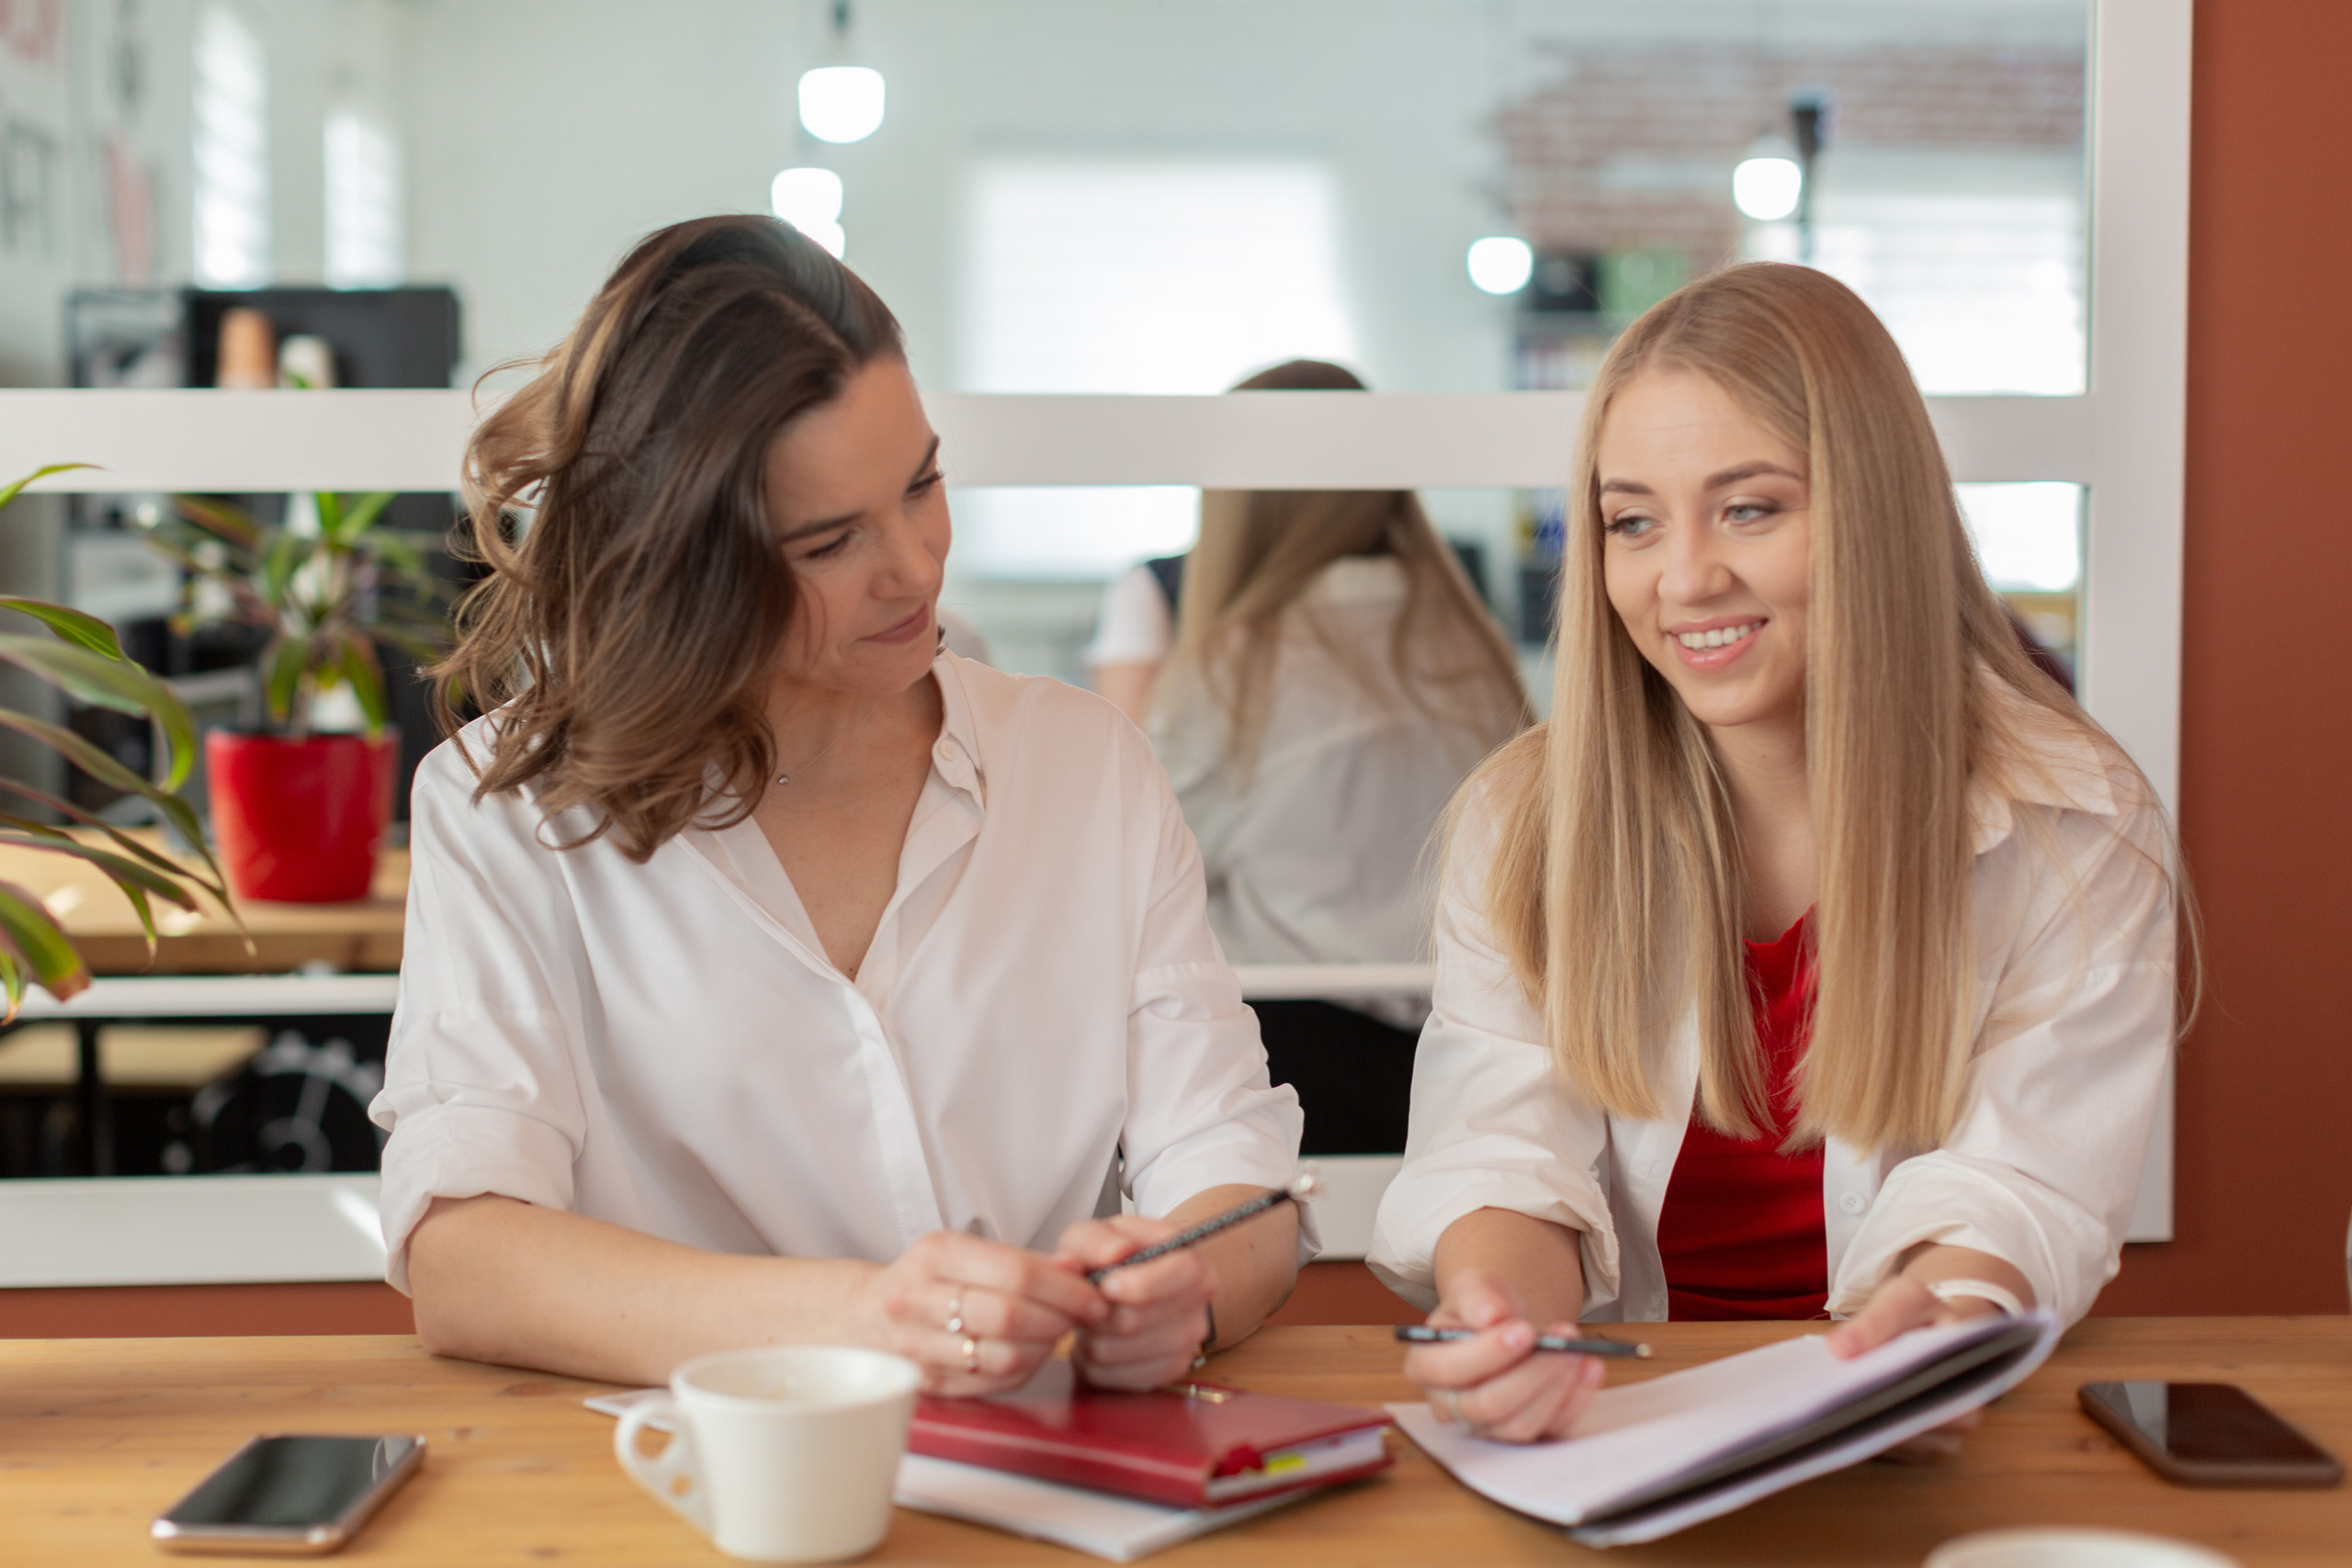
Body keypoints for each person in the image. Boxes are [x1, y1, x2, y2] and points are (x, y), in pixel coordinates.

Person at [372, 215, 1308, 1394]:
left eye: (922, 483)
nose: (915, 568)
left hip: (1042, 1486)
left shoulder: (1084, 767)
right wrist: (873, 1317)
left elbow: (1236, 1173)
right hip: (684, 1491)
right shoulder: (506, 809)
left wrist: (1188, 1284)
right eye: (828, 542)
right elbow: (468, 1260)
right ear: (685, 561)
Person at [1369, 263, 2191, 1444]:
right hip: (1616, 1425)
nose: (1683, 577)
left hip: (1913, 1431)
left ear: (1875, 513)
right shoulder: (1525, 819)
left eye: (1749, 508)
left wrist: (1940, 1317)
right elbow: (1497, 1149)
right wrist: (1506, 1317)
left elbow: (2027, 1182)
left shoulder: (2070, 816)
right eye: (1631, 521)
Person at [1144, 361, 1529, 1155]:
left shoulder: (1234, 667)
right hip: (1474, 1039)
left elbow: (1158, 869)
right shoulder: (1475, 649)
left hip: (1295, 1050)